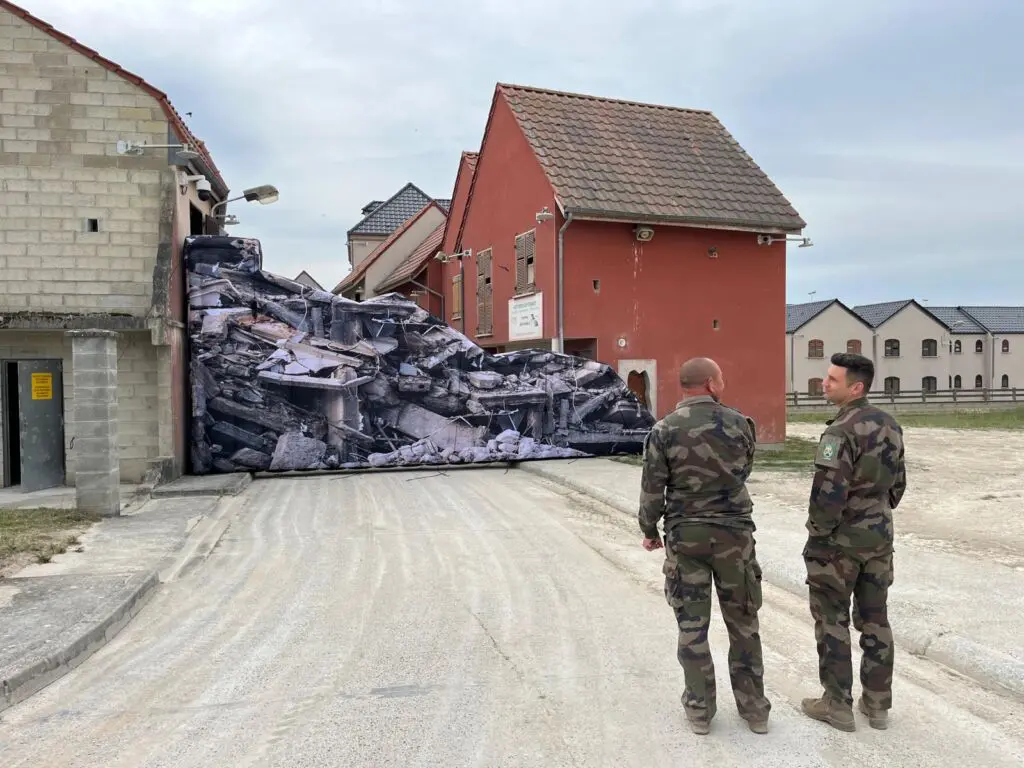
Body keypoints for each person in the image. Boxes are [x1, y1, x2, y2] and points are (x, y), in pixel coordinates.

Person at [638, 356, 770, 736]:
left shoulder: (662, 430)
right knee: (744, 622)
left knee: (692, 626)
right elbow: (744, 470)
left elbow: (652, 487)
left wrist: (649, 529)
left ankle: (699, 711)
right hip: (735, 537)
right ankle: (754, 710)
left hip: (686, 536)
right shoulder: (740, 423)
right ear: (711, 384)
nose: (723, 383)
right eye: (721, 378)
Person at [801, 352, 906, 732]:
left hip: (839, 543)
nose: (825, 383)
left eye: (832, 379)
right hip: (879, 538)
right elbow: (898, 484)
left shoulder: (839, 431)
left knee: (832, 620)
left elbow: (827, 495)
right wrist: (874, 512)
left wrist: (818, 536)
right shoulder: (890, 425)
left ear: (856, 387)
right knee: (876, 620)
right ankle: (877, 706)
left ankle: (837, 705)